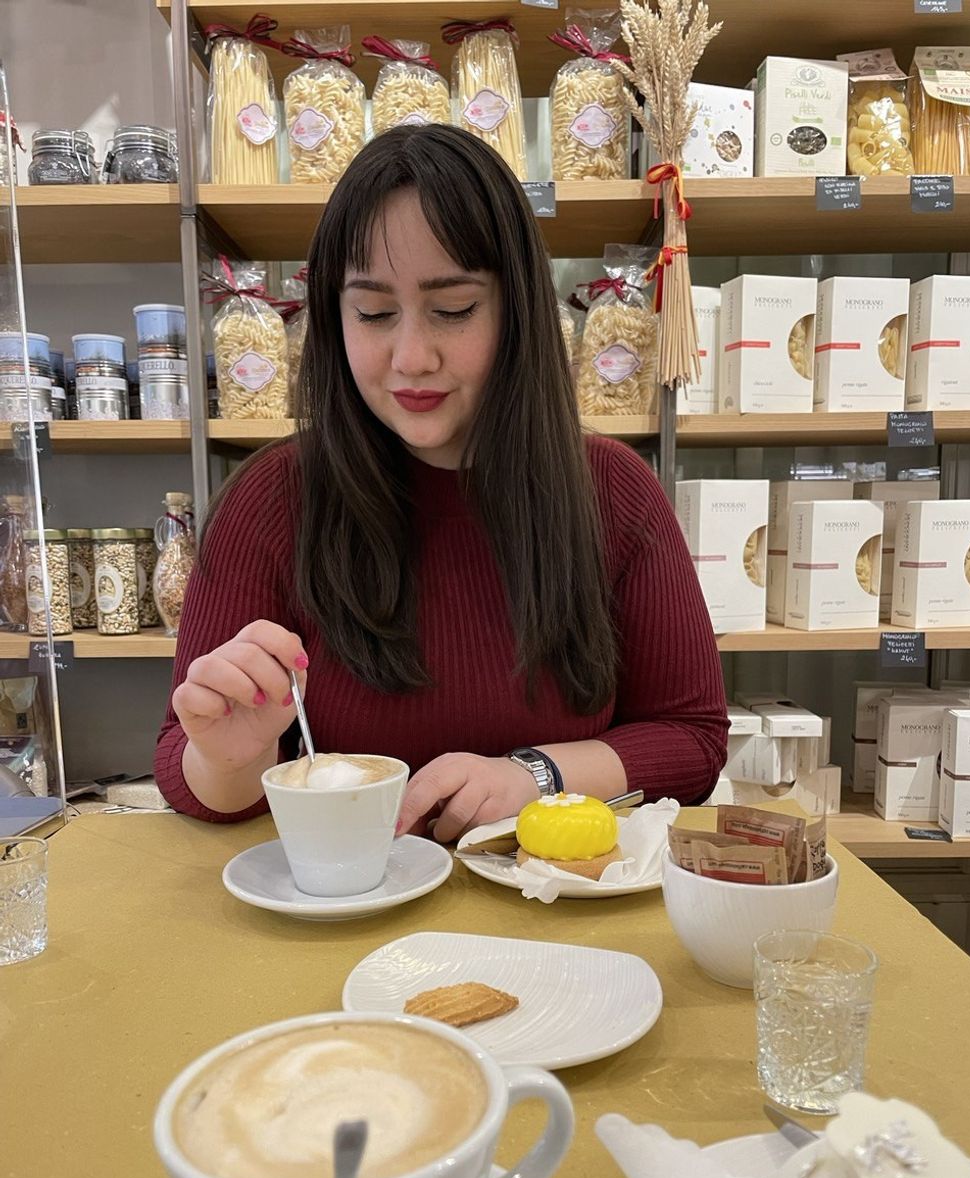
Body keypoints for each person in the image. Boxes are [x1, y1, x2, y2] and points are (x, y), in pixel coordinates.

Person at [155, 124, 727, 841]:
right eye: (373, 312)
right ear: (333, 317)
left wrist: (532, 775)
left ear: (516, 309)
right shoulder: (270, 502)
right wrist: (231, 758)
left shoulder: (612, 493)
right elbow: (186, 768)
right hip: (344, 922)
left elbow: (694, 739)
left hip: (557, 923)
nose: (411, 357)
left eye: (453, 309)